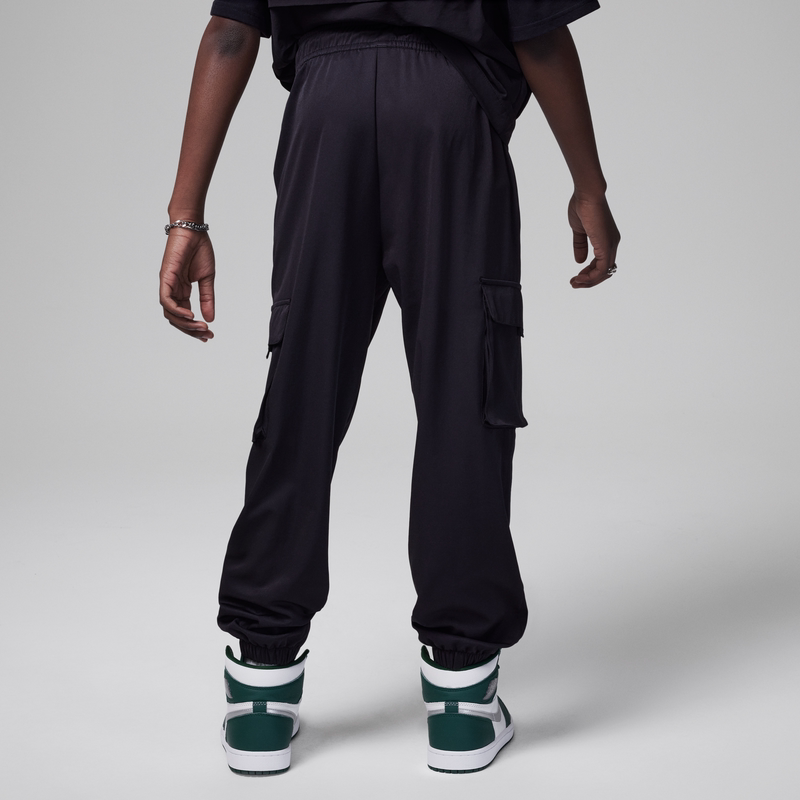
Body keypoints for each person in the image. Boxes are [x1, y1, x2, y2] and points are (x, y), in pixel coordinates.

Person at [159, 0, 620, 776]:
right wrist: (589, 184)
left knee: (303, 384)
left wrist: (186, 218)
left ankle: (261, 692)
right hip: (447, 111)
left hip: (325, 111)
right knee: (463, 389)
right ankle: (462, 699)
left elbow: (232, 31)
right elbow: (538, 34)